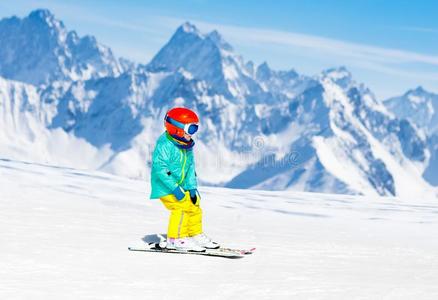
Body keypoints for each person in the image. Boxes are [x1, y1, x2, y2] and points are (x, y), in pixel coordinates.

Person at [150, 107, 219, 252]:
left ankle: (194, 234)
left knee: (194, 204)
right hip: (164, 186)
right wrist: (174, 188)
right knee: (180, 206)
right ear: (177, 129)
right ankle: (176, 239)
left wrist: (192, 188)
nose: (193, 133)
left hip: (180, 185)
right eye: (191, 128)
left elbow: (190, 168)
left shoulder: (186, 145)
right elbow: (160, 169)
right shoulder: (165, 144)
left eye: (196, 128)